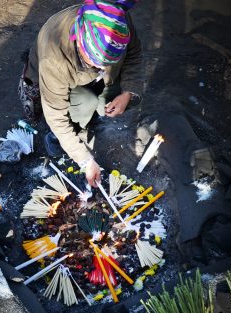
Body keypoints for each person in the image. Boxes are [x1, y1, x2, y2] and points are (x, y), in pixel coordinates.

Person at [19, 0, 143, 187]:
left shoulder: (118, 21)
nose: (101, 68)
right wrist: (85, 160)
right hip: (57, 80)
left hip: (87, 78)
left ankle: (89, 113)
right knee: (80, 107)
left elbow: (133, 55)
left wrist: (128, 92)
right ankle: (56, 141)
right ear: (80, 41)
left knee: (110, 98)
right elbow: (56, 115)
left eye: (107, 63)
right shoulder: (55, 59)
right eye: (94, 62)